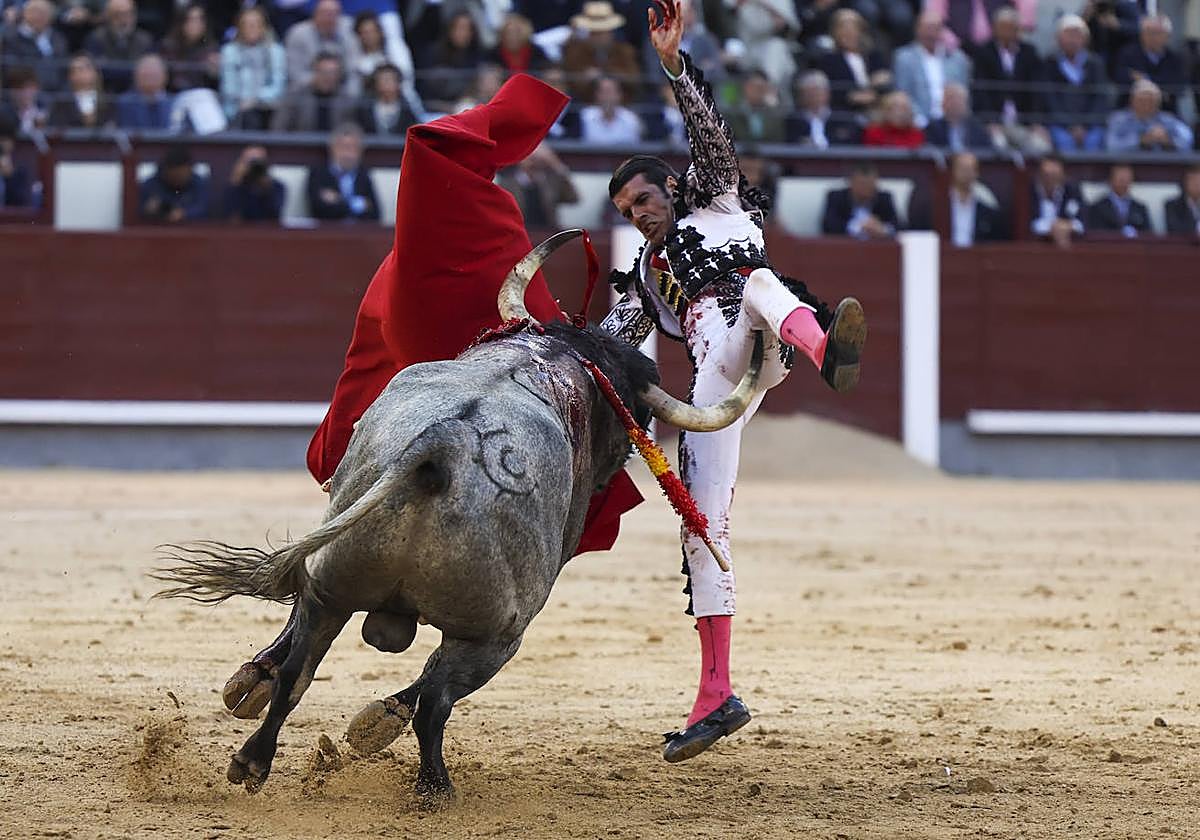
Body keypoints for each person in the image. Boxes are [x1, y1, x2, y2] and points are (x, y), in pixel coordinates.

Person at [599, 0, 867, 763]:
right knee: (701, 531)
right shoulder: (647, 276)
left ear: (671, 186)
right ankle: (716, 694)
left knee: (757, 283)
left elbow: (709, 132)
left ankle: (825, 349)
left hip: (763, 338)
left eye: (644, 199)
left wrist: (675, 65)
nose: (639, 214)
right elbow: (611, 341)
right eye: (625, 209)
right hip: (712, 392)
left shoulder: (716, 196)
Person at [307, 72, 644, 566]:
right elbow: (542, 325)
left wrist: (339, 445)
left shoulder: (399, 263)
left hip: (411, 384)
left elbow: (365, 360)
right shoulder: (496, 213)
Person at [971, 5, 1050, 155]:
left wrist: (1036, 123)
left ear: (1018, 30)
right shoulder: (983, 53)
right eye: (1003, 27)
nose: (1007, 32)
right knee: (998, 146)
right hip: (994, 122)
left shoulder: (1029, 53)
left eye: (1011, 28)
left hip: (1023, 122)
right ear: (994, 29)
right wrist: (990, 122)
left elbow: (1037, 91)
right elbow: (981, 92)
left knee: (1041, 147)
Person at [892, 10, 972, 127]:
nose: (930, 33)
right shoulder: (904, 58)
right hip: (918, 121)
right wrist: (919, 120)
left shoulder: (958, 59)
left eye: (934, 28)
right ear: (917, 29)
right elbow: (903, 92)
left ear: (942, 31)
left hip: (952, 121)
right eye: (926, 28)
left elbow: (964, 93)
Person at [1042, 14, 1109, 152]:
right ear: (1058, 38)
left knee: (1094, 142)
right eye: (1068, 35)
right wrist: (1070, 126)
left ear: (1085, 39)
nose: (1072, 40)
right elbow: (1050, 99)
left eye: (1077, 35)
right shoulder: (1050, 63)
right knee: (1064, 143)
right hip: (1060, 124)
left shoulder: (1095, 64)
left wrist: (1085, 126)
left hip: (1090, 125)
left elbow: (1100, 99)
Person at [219, 6, 288, 130]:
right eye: (247, 24)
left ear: (264, 27)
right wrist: (245, 102)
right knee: (248, 117)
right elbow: (229, 87)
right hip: (236, 107)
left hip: (267, 106)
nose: (251, 28)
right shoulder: (229, 51)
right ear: (239, 28)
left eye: (256, 24)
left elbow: (278, 87)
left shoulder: (276, 51)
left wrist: (255, 101)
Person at [815, 8, 891, 116]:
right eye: (843, 28)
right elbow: (828, 89)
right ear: (834, 33)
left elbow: (883, 77)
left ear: (861, 31)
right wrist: (851, 96)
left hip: (876, 105)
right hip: (845, 109)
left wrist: (876, 89)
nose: (849, 32)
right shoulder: (828, 60)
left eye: (853, 27)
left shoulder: (873, 56)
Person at [561, 1, 641, 102]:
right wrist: (585, 79)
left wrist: (605, 73)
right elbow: (570, 79)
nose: (598, 37)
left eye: (603, 32)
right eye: (594, 33)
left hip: (621, 105)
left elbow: (634, 79)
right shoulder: (575, 51)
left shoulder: (625, 51)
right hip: (584, 104)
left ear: (611, 32)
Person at [1114, 14, 1189, 114]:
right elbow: (1121, 80)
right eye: (1148, 32)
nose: (1151, 37)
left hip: (1166, 112)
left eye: (1156, 33)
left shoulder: (1175, 59)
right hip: (1131, 112)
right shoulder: (1127, 54)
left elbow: (1178, 88)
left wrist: (1145, 80)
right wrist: (1161, 91)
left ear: (1167, 36)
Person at [306, 122, 380, 221]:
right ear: (332, 148)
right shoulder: (318, 174)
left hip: (359, 233)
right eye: (344, 147)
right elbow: (318, 210)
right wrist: (358, 204)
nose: (348, 154)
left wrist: (338, 201)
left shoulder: (364, 176)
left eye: (353, 148)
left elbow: (375, 213)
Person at [285, 0, 359, 96]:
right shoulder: (298, 34)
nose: (330, 18)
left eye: (334, 14)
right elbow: (295, 73)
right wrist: (322, 79)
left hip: (341, 89)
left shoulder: (348, 31)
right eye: (326, 14)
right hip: (307, 89)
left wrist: (352, 95)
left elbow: (353, 68)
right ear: (315, 15)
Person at [496, 140, 578, 227]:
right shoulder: (507, 183)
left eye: (535, 156)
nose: (532, 160)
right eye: (528, 155)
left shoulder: (551, 181)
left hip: (548, 234)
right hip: (519, 232)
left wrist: (557, 166)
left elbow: (573, 199)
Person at [416, 10, 485, 110]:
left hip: (467, 107)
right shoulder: (433, 53)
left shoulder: (478, 55)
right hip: (436, 109)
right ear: (450, 30)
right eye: (459, 28)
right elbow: (425, 89)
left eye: (467, 29)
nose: (463, 33)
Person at [272, 52, 357, 132]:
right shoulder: (295, 98)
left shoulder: (348, 101)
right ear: (314, 72)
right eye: (323, 72)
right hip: (302, 146)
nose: (327, 77)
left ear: (339, 75)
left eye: (332, 73)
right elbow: (278, 129)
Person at [84, 0, 155, 93]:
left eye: (128, 14)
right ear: (108, 16)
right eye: (117, 15)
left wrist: (111, 66)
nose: (124, 20)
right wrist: (133, 68)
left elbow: (149, 70)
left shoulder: (145, 40)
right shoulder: (96, 38)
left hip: (138, 93)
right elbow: (96, 69)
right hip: (104, 91)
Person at [1106, 78, 1193, 153]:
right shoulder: (1119, 119)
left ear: (1158, 103)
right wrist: (1141, 140)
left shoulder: (1168, 120)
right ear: (1132, 101)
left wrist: (1168, 141)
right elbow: (1112, 146)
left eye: (1151, 101)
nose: (1146, 105)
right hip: (1131, 163)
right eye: (1142, 100)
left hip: (1163, 163)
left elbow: (1187, 141)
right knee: (1121, 169)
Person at [1, 0, 69, 92]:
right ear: (24, 13)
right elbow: (10, 69)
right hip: (23, 94)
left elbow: (63, 68)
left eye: (43, 13)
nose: (38, 16)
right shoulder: (11, 38)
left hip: (55, 94)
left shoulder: (58, 39)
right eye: (34, 12)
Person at [821, 161, 900, 238]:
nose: (868, 188)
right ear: (851, 182)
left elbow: (900, 226)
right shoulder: (836, 197)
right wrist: (858, 227)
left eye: (871, 184)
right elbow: (828, 225)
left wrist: (883, 229)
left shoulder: (884, 198)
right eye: (863, 184)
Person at [785, 70, 862, 147]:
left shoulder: (842, 117)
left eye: (818, 92)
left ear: (827, 93)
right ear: (801, 96)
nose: (814, 97)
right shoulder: (793, 120)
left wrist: (821, 142)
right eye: (809, 93)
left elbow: (849, 141)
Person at [944, 151, 1007, 245]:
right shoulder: (940, 207)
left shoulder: (986, 208)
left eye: (970, 169)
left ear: (977, 173)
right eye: (962, 168)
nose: (966, 173)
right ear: (953, 171)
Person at [138, 145, 210, 222]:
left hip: (193, 230)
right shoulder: (149, 186)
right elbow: (136, 212)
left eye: (180, 175)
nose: (177, 180)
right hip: (157, 230)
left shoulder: (200, 185)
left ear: (189, 170)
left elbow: (204, 208)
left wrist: (184, 213)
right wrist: (147, 211)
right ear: (165, 171)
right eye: (174, 176)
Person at [161, 3, 220, 92]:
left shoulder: (212, 48)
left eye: (200, 20)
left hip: (202, 96)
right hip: (172, 96)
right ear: (182, 22)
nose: (196, 24)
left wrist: (214, 74)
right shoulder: (168, 46)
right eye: (192, 19)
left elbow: (215, 85)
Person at [1030, 153, 1084, 248]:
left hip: (1066, 239)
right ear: (1039, 174)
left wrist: (1068, 226)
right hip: (1034, 243)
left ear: (1063, 175)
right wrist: (1051, 227)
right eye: (1046, 175)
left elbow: (1083, 222)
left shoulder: (1072, 191)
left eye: (1055, 176)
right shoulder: (1028, 191)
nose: (1050, 180)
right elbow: (1024, 224)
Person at [222, 144, 286, 223]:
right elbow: (230, 217)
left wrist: (266, 187)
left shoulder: (277, 186)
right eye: (251, 161)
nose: (254, 166)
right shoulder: (234, 186)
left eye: (259, 161)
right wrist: (237, 184)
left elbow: (275, 215)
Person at [49, 53, 115, 128]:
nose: (82, 73)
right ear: (70, 76)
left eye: (86, 67)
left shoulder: (109, 100)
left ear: (96, 73)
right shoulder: (61, 103)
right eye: (77, 69)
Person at [1086, 162, 1150, 238]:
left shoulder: (1140, 208)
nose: (1124, 182)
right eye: (1120, 178)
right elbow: (1094, 234)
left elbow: (1148, 235)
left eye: (1127, 178)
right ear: (1110, 180)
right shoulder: (1097, 207)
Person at [924, 82, 993, 150]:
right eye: (951, 98)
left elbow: (988, 152)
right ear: (942, 103)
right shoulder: (933, 128)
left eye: (959, 99)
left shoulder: (978, 128)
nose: (955, 103)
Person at [355, 63, 419, 135]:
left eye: (389, 79)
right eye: (382, 79)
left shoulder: (407, 108)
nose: (386, 83)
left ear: (398, 83)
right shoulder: (365, 107)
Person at [724, 70, 785, 143]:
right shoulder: (733, 112)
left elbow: (777, 139)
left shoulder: (774, 114)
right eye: (755, 87)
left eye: (762, 88)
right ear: (745, 87)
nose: (758, 92)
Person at [579, 74, 642, 144]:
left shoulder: (631, 119)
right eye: (603, 92)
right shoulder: (584, 117)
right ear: (596, 95)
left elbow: (635, 149)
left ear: (619, 95)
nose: (607, 96)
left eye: (610, 91)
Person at [116, 54, 173, 130]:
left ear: (165, 76)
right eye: (145, 73)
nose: (149, 76)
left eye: (154, 73)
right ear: (135, 76)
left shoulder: (175, 103)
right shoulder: (124, 103)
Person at [487, 13, 552, 74]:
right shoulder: (492, 55)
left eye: (517, 33)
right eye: (508, 33)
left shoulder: (537, 53)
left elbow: (546, 71)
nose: (512, 37)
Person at [0, 67, 48, 136]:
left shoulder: (45, 110)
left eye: (29, 87)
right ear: (11, 91)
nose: (25, 93)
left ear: (37, 88)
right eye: (20, 88)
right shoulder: (3, 115)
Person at [0, 117, 35, 207]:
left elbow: (22, 201)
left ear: (12, 143)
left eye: (4, 140)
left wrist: (9, 177)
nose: (1, 144)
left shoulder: (20, 168)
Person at [1164, 164, 1200, 237]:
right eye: (1193, 179)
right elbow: (1175, 230)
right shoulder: (1172, 205)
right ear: (1184, 182)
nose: (1197, 184)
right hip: (1184, 246)